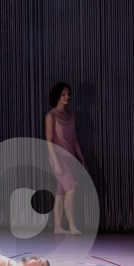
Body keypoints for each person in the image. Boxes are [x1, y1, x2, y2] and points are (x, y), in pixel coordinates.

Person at [45, 82, 89, 235]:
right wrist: (56, 162)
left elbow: (74, 139)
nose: (67, 97)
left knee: (61, 191)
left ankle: (57, 227)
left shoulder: (71, 115)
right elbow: (49, 141)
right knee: (71, 189)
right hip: (58, 158)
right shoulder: (51, 116)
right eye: (63, 94)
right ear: (57, 95)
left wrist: (82, 160)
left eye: (68, 94)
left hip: (70, 158)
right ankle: (71, 225)